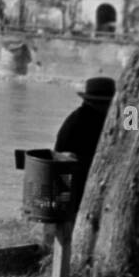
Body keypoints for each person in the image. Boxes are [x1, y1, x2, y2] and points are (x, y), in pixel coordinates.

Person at [54, 76, 117, 218]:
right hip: (77, 188)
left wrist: (131, 107)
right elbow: (131, 133)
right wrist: (131, 106)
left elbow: (131, 132)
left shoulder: (82, 116)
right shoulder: (87, 121)